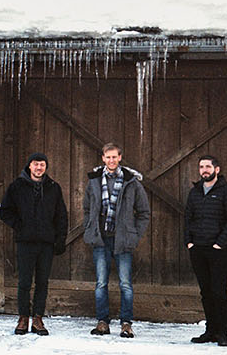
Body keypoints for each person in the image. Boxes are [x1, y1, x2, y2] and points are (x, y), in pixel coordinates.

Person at [82, 143, 151, 338]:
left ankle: (126, 323)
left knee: (125, 284)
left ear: (120, 157)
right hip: (100, 239)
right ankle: (102, 322)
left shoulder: (132, 182)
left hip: (123, 240)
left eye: (114, 157)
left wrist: (134, 235)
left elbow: (144, 213)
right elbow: (87, 209)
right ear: (103, 158)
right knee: (101, 283)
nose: (111, 160)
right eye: (108, 157)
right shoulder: (94, 181)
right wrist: (89, 228)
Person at [0, 151, 67, 336]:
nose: (39, 168)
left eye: (42, 165)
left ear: (46, 167)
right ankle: (23, 318)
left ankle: (37, 319)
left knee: (42, 282)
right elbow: (5, 211)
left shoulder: (53, 187)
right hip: (26, 242)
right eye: (35, 164)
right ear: (29, 166)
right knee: (25, 282)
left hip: (46, 243)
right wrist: (20, 226)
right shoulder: (17, 186)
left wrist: (60, 239)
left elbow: (61, 215)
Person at [184, 155, 227, 347]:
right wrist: (189, 242)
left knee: (218, 292)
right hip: (197, 249)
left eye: (208, 166)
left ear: (217, 169)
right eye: (201, 167)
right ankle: (210, 330)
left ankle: (222, 333)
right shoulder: (195, 192)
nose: (204, 170)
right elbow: (187, 218)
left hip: (217, 250)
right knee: (205, 292)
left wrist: (220, 243)